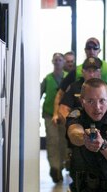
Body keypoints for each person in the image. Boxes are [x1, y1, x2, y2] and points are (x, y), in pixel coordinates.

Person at [59, 57, 107, 192]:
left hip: (106, 145)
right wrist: (74, 126)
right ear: (83, 71)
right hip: (81, 145)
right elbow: (63, 109)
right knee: (79, 176)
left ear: (100, 72)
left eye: (95, 70)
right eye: (88, 70)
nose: (92, 73)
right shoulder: (74, 88)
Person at [52, 37, 107, 126]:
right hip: (80, 123)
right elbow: (62, 100)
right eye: (89, 48)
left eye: (94, 48)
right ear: (83, 72)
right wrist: (72, 124)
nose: (92, 74)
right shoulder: (75, 80)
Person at [40, 53, 68, 183]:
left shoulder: (68, 78)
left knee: (63, 141)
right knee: (52, 141)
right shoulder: (48, 79)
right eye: (55, 60)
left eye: (60, 60)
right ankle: (55, 168)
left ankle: (61, 166)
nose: (57, 62)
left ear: (64, 62)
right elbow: (38, 95)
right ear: (52, 61)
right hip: (49, 115)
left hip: (64, 115)